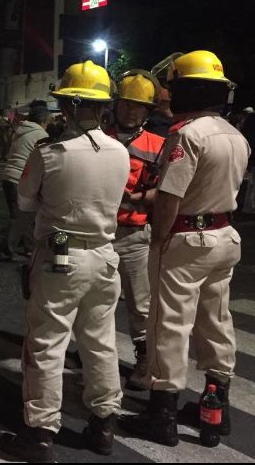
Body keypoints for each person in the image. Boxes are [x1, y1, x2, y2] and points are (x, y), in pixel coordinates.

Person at [0, 61, 129, 462]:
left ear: (71, 106)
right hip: (104, 256)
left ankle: (40, 433)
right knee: (100, 342)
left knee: (47, 343)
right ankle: (103, 424)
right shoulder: (120, 152)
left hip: (60, 253)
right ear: (102, 107)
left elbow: (25, 201)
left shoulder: (50, 153)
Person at [119, 50, 250, 446]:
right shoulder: (235, 135)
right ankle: (216, 408)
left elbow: (171, 197)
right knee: (216, 321)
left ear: (191, 90)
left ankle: (162, 414)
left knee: (168, 325)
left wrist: (159, 239)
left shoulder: (187, 135)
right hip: (224, 236)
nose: (169, 95)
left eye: (174, 88)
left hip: (186, 240)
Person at [104, 70, 167, 391]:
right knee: (94, 301)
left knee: (140, 305)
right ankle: (94, 355)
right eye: (127, 104)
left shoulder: (158, 145)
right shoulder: (98, 137)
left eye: (139, 106)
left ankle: (144, 359)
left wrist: (135, 198)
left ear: (148, 111)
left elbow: (167, 190)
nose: (132, 111)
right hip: (97, 234)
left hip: (134, 235)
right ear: (116, 105)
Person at [0, 103, 49, 262]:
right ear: (44, 120)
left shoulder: (21, 130)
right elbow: (45, 159)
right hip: (20, 178)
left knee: (25, 215)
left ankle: (30, 249)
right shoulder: (41, 134)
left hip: (8, 176)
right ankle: (7, 251)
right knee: (20, 217)